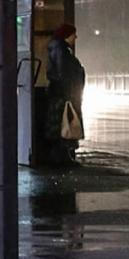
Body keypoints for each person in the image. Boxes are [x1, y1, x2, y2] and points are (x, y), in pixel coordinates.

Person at [46, 22, 86, 166]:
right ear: (67, 35)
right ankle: (62, 156)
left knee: (61, 124)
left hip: (61, 92)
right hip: (64, 94)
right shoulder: (62, 50)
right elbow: (65, 73)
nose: (75, 36)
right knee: (65, 124)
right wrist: (69, 94)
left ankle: (62, 155)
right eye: (73, 33)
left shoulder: (60, 49)